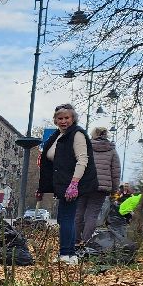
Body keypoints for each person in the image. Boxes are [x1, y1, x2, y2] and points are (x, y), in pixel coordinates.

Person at [34, 103, 97, 263]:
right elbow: (50, 163)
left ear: (73, 118)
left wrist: (74, 184)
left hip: (72, 184)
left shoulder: (77, 134)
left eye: (66, 118)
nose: (63, 121)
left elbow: (82, 159)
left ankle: (65, 255)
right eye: (60, 118)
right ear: (55, 120)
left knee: (67, 217)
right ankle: (71, 255)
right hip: (62, 183)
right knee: (63, 218)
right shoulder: (57, 136)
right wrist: (42, 188)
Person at [77, 126, 121, 243]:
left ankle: (75, 240)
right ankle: (86, 241)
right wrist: (114, 190)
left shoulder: (86, 147)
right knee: (92, 215)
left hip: (84, 185)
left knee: (78, 213)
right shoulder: (112, 151)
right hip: (101, 188)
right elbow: (116, 172)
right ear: (106, 134)